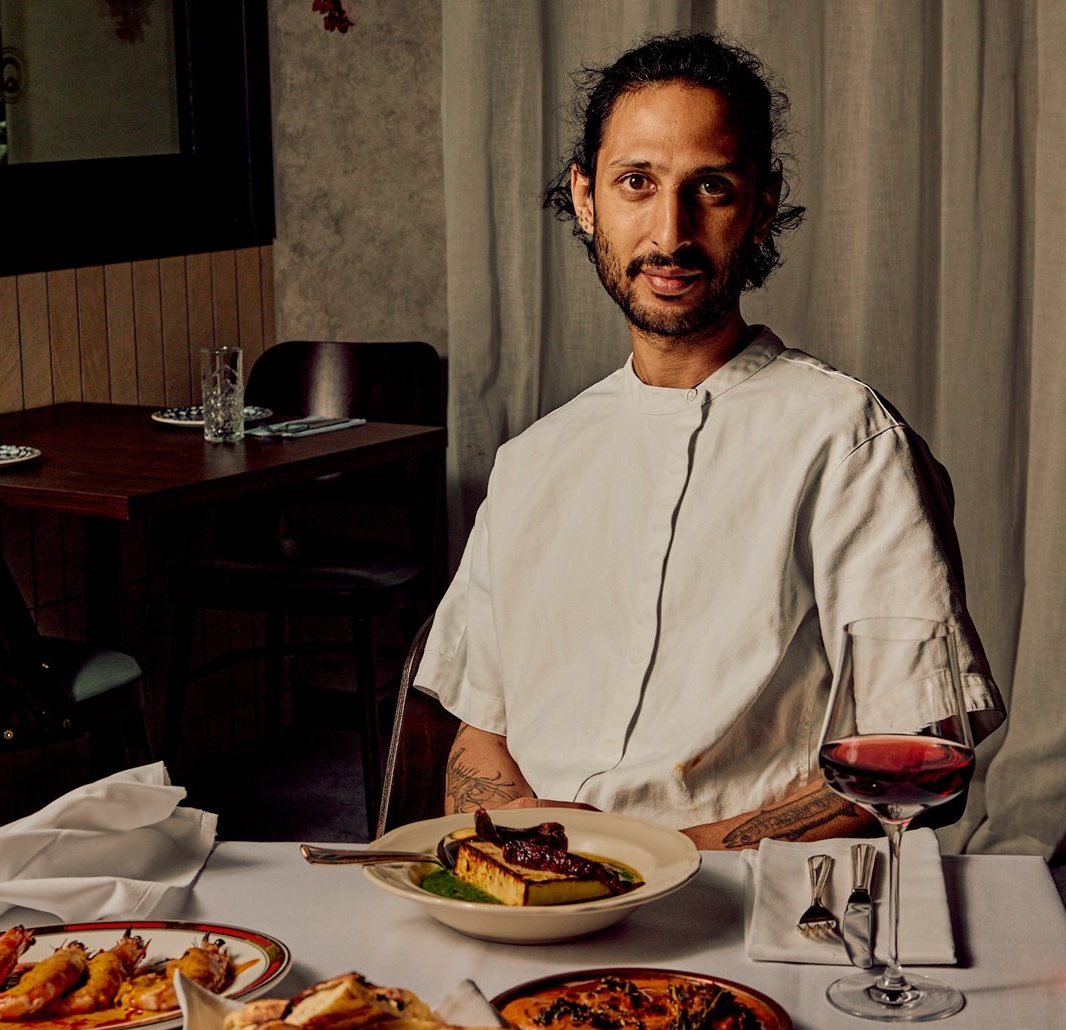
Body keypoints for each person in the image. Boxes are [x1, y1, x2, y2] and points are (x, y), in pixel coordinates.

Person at [414, 32, 1003, 850]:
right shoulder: (531, 464)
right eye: (636, 182)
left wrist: (651, 862)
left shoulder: (850, 443)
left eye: (712, 188)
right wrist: (538, 864)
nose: (670, 233)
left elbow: (912, 747)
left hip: (744, 895)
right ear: (586, 198)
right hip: (541, 891)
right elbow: (480, 736)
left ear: (761, 206)